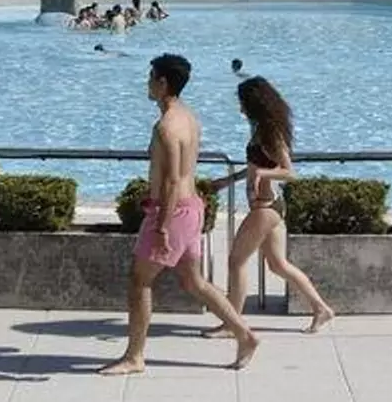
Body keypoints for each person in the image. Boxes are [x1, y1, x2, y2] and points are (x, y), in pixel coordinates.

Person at [100, 54, 258, 375]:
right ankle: (245, 335)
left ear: (163, 83)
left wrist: (161, 226)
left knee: (139, 281)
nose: (147, 83)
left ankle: (134, 356)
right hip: (191, 208)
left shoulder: (166, 127)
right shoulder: (188, 116)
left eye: (150, 77)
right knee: (193, 280)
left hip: (172, 213)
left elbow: (173, 179)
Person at [202, 77, 335, 338]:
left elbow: (289, 172)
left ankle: (232, 324)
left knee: (236, 262)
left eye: (242, 102)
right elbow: (255, 166)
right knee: (277, 264)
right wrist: (228, 181)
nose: (240, 108)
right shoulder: (261, 129)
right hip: (268, 206)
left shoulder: (270, 133)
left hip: (265, 207)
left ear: (254, 103)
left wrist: (263, 174)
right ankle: (321, 308)